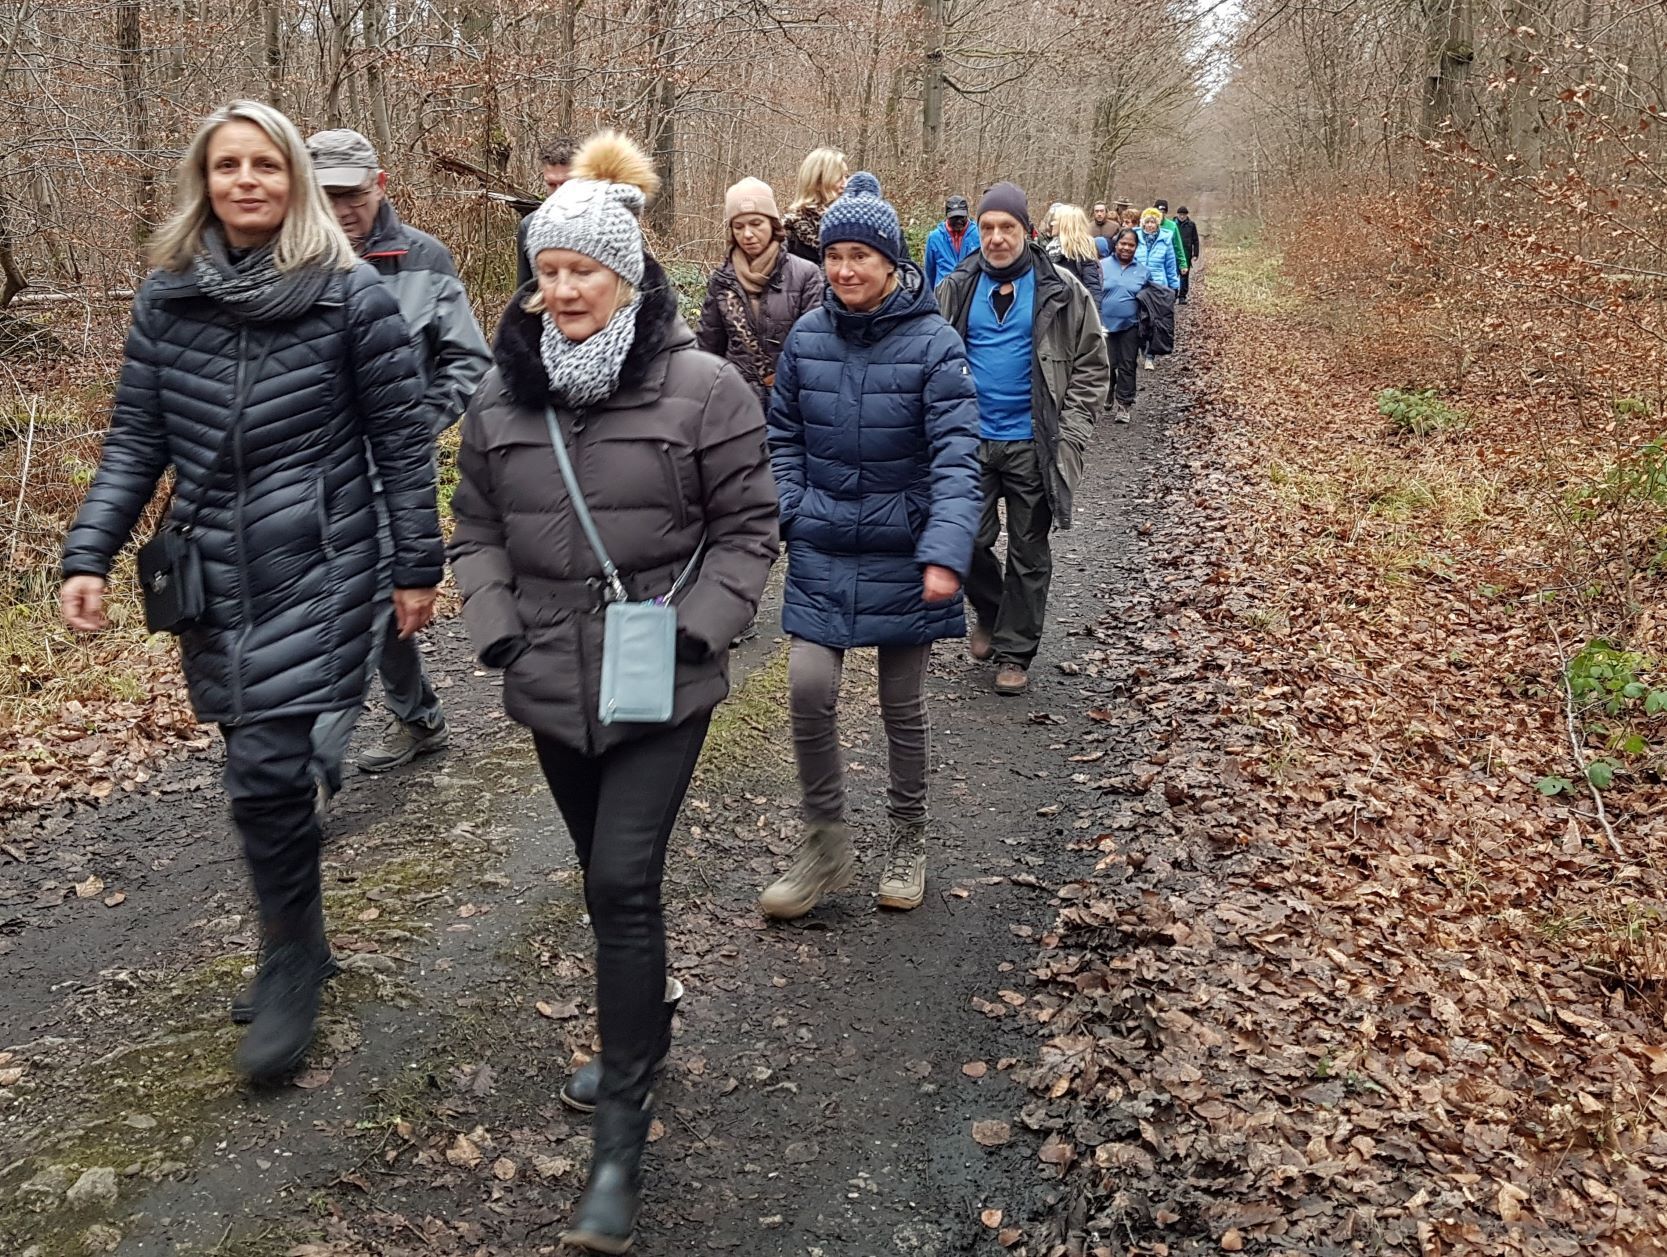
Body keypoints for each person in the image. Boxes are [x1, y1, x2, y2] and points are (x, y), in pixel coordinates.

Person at [60, 100, 441, 1083]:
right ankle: (300, 935)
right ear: (204, 180)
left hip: (323, 560)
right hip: (211, 576)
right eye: (227, 165)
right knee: (256, 763)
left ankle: (287, 960)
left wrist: (416, 565)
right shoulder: (167, 299)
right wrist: (87, 554)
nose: (246, 181)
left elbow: (402, 444)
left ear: (293, 180)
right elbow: (135, 441)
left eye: (265, 165)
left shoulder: (350, 298)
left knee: (267, 769)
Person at [448, 130, 777, 1253]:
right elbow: (475, 529)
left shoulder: (705, 389)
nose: (562, 288)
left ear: (626, 274)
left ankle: (620, 1135)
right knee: (602, 884)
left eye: (582, 268)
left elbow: (749, 528)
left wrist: (696, 630)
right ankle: (646, 1025)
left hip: (661, 680)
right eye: (546, 270)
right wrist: (497, 630)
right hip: (548, 677)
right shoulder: (500, 397)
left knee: (622, 881)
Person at [757, 172, 980, 921]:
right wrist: (791, 507)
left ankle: (907, 834)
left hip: (904, 546)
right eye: (833, 255)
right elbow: (782, 436)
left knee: (899, 702)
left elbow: (957, 457)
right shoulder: (807, 337)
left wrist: (944, 549)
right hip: (822, 539)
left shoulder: (935, 343)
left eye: (860, 255)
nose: (845, 270)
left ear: (891, 262)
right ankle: (824, 841)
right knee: (808, 687)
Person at [304, 128, 491, 788]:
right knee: (371, 610)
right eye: (326, 196)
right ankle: (420, 718)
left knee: (359, 613)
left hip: (393, 480)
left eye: (352, 195)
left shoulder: (424, 259)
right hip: (309, 480)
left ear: (379, 185)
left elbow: (468, 360)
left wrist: (413, 425)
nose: (341, 210)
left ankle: (306, 776)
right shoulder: (290, 263)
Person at [934, 182, 1108, 697]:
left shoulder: (1061, 289)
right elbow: (929, 359)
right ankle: (992, 609)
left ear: (1026, 231)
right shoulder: (956, 287)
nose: (996, 237)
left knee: (1029, 550)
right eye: (987, 228)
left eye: (1006, 227)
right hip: (969, 440)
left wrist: (1070, 436)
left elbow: (1092, 366)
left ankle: (1014, 651)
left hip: (1036, 442)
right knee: (964, 539)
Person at [695, 176, 823, 405]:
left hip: (790, 402)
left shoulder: (806, 275)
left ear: (773, 224)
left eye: (756, 224)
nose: (747, 234)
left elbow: (814, 349)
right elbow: (708, 349)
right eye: (739, 226)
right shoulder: (722, 279)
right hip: (734, 402)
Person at [1099, 227, 1148, 424]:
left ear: (1136, 247)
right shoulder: (1101, 266)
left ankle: (1124, 405)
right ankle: (1108, 390)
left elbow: (1149, 300)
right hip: (1104, 325)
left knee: (1128, 364)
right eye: (1123, 243)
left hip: (1131, 325)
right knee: (1107, 364)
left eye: (1131, 245)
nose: (1126, 248)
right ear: (1116, 245)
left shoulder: (1143, 272)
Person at [515, 135, 576, 288]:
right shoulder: (529, 226)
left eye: (566, 184)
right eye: (551, 184)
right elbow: (524, 291)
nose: (558, 192)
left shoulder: (604, 223)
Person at [782, 147, 849, 263]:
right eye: (839, 178)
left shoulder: (852, 228)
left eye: (846, 176)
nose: (846, 184)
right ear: (817, 183)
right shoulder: (789, 236)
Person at [1136, 208, 1180, 370]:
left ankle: (1150, 356)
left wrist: (1174, 287)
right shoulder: (1135, 237)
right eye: (1147, 222)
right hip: (1138, 285)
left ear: (1158, 224)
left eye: (1153, 222)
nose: (1150, 225)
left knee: (1154, 322)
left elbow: (1170, 266)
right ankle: (1140, 347)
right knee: (1139, 320)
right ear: (1143, 223)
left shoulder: (1165, 240)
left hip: (1158, 286)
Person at [1044, 204, 1104, 307]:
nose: (1052, 223)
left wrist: (1095, 316)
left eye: (1055, 220)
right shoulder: (1050, 251)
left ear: (1066, 224)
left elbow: (1093, 292)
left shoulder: (1083, 256)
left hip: (1073, 312)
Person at [924, 195, 981, 289]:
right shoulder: (934, 237)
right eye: (954, 217)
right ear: (947, 216)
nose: (958, 221)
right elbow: (929, 271)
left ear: (967, 215)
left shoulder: (978, 234)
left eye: (961, 217)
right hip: (943, 291)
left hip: (971, 289)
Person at [1154, 198, 1190, 288]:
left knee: (1169, 285)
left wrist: (1183, 264)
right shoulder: (1148, 225)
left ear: (1165, 213)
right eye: (1158, 211)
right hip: (1154, 262)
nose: (1160, 214)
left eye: (1163, 212)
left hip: (1169, 261)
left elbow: (1178, 246)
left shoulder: (1172, 226)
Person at [1175, 206, 1201, 302]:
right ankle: (1173, 294)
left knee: (1184, 275)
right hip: (1174, 253)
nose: (1182, 217)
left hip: (1186, 253)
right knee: (1173, 274)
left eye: (1184, 215)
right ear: (1177, 215)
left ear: (1186, 215)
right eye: (1180, 215)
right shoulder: (1173, 224)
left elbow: (1195, 240)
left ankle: (1182, 296)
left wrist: (1196, 253)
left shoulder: (1191, 225)